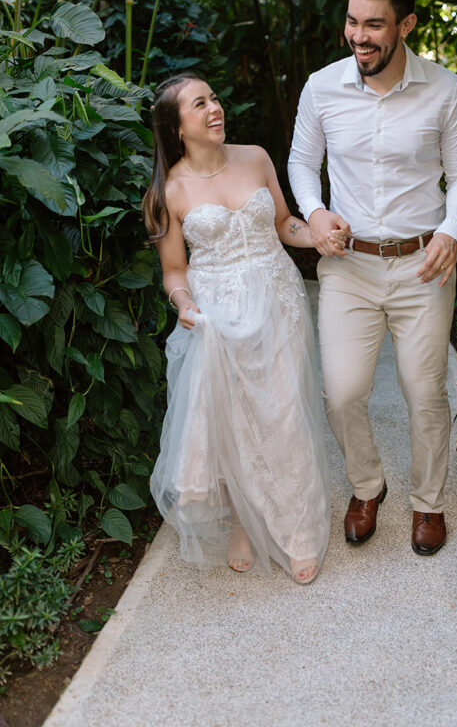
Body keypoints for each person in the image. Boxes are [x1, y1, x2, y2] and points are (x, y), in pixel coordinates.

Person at [288, 0, 457, 556]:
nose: (360, 35)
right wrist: (316, 213)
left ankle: (429, 504)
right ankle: (368, 487)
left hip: (424, 265)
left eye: (374, 24)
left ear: (406, 24)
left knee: (425, 393)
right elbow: (300, 161)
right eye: (352, 21)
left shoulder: (444, 90)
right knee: (342, 393)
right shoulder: (322, 87)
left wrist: (452, 229)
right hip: (348, 267)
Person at [143, 73, 331, 585]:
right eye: (199, 104)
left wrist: (319, 235)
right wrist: (183, 304)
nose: (214, 109)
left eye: (215, 98)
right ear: (177, 126)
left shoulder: (256, 157)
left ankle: (296, 531)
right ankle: (243, 522)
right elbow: (174, 270)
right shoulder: (169, 189)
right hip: (217, 316)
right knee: (233, 419)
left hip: (277, 298)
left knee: (285, 411)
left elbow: (283, 224)